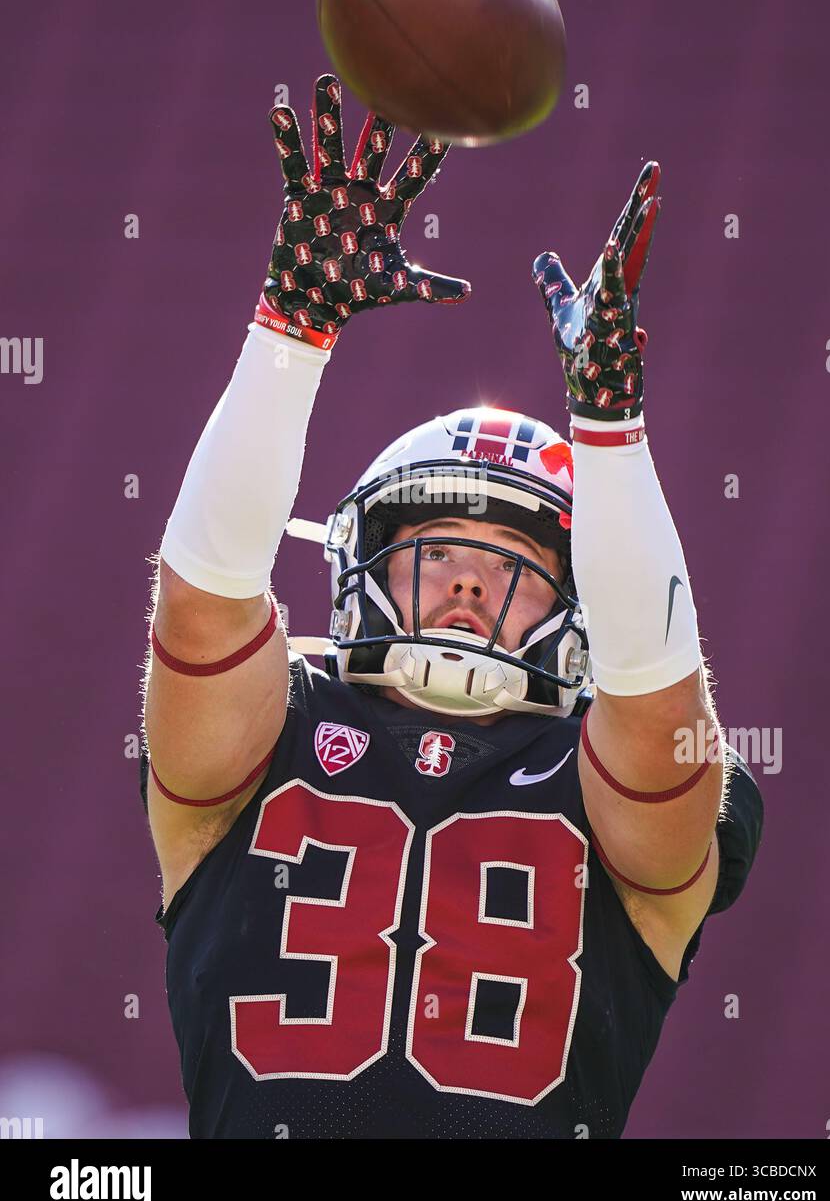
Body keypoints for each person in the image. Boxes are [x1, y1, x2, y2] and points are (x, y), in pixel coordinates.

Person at [139, 73, 763, 1139]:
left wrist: (611, 440)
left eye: (512, 561)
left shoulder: (620, 778)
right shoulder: (274, 728)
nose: (470, 582)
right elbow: (205, 607)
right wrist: (286, 334)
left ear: (584, 600)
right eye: (434, 551)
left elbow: (655, 714)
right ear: (358, 561)